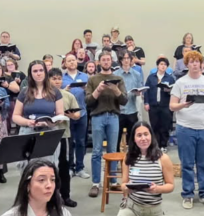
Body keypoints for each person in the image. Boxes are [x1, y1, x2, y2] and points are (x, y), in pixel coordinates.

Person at [170, 50, 204, 209]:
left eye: (197, 61)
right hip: (185, 128)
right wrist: (183, 104)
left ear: (201, 64)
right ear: (187, 64)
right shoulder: (180, 83)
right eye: (191, 61)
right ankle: (188, 194)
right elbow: (172, 105)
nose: (194, 64)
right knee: (187, 164)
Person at [84, 52, 127, 197]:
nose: (106, 62)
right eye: (104, 60)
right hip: (97, 116)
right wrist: (98, 90)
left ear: (112, 61)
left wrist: (115, 89)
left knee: (112, 151)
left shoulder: (118, 79)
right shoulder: (93, 79)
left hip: (114, 116)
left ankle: (113, 181)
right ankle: (96, 183)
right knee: (96, 151)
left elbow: (124, 101)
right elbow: (88, 101)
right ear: (99, 62)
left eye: (108, 60)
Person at [13, 60, 65, 158]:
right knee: (29, 167)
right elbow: (15, 116)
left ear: (45, 72)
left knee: (48, 166)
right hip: (28, 131)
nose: (38, 73)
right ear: (30, 74)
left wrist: (50, 122)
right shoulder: (24, 92)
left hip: (49, 131)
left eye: (41, 70)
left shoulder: (55, 92)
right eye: (35, 71)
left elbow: (60, 114)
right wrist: (28, 122)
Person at [48, 69, 80, 207]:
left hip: (64, 135)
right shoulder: (44, 96)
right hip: (48, 135)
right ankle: (50, 197)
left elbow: (77, 115)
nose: (57, 81)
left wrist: (69, 115)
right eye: (54, 78)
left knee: (64, 166)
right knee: (49, 167)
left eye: (59, 78)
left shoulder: (68, 96)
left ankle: (65, 196)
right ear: (48, 80)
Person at [61, 53, 89, 178]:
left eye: (73, 60)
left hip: (82, 112)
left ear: (77, 62)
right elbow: (57, 94)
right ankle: (70, 167)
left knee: (81, 142)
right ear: (65, 63)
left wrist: (87, 89)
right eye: (69, 61)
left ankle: (80, 167)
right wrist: (64, 91)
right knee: (70, 142)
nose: (72, 62)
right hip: (68, 114)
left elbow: (91, 95)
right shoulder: (62, 78)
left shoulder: (85, 76)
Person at [144, 57, 176, 152]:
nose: (163, 66)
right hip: (153, 105)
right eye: (161, 64)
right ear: (157, 66)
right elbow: (146, 90)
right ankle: (156, 145)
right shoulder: (151, 77)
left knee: (165, 125)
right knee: (155, 125)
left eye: (165, 65)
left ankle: (163, 145)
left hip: (165, 105)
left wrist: (169, 91)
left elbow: (174, 92)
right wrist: (146, 102)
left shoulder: (170, 78)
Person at [114, 51, 144, 151]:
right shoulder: (115, 74)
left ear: (131, 60)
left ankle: (133, 159)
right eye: (124, 58)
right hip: (119, 110)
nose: (126, 60)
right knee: (116, 138)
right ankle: (116, 160)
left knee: (133, 137)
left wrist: (139, 92)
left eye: (128, 58)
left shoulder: (136, 74)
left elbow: (140, 88)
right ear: (120, 60)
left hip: (132, 109)